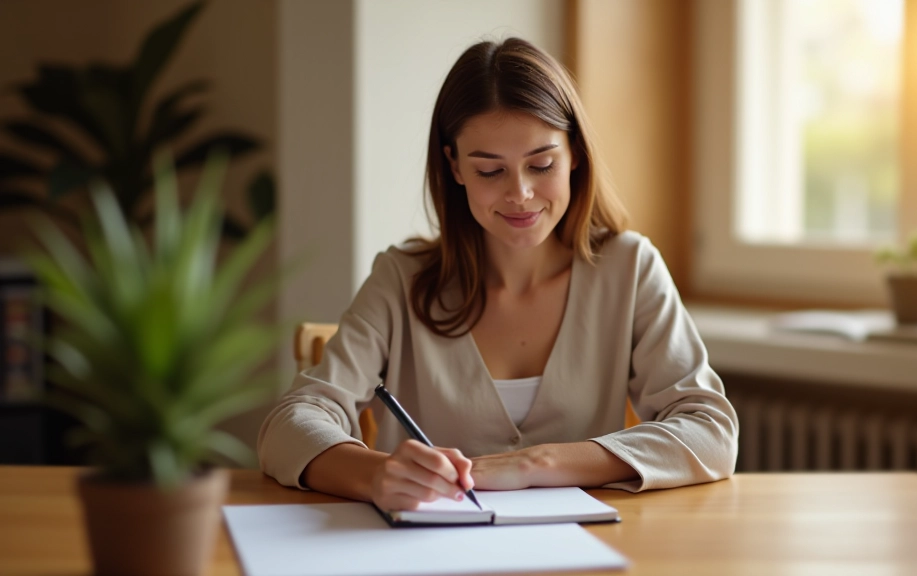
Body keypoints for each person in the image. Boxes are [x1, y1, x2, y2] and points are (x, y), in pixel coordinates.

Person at [258, 37, 738, 511]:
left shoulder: (629, 269)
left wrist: (538, 463)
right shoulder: (401, 279)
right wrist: (378, 474)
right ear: (455, 166)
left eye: (542, 164)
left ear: (575, 155)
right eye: (490, 171)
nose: (521, 194)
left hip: (586, 553)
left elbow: (711, 431)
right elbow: (289, 425)